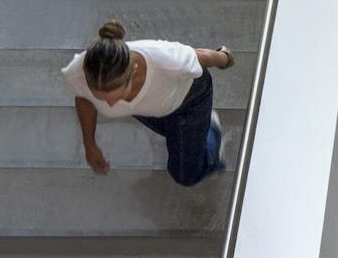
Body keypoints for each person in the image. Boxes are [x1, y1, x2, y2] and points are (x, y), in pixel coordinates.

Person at [63, 18, 234, 187]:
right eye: (100, 97)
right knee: (179, 137)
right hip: (156, 104)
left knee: (186, 175)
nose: (110, 105)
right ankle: (192, 132)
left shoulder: (166, 59)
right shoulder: (77, 74)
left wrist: (225, 58)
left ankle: (211, 131)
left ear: (134, 71)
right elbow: (84, 98)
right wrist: (89, 143)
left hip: (189, 101)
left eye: (117, 96)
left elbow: (202, 56)